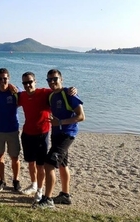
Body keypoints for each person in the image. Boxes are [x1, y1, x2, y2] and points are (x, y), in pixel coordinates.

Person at [19, 72, 77, 203]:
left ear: (35, 81)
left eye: (30, 82)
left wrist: (70, 89)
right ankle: (34, 185)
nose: (28, 85)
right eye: (25, 83)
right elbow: (8, 92)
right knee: (31, 162)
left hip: (42, 134)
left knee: (42, 165)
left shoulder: (45, 93)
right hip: (27, 133)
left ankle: (40, 190)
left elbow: (60, 90)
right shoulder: (21, 95)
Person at [37, 69, 85, 209]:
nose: (52, 82)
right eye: (49, 80)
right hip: (56, 134)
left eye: (55, 79)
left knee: (48, 164)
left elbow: (81, 116)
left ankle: (48, 199)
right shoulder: (52, 96)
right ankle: (65, 195)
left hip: (67, 134)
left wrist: (60, 122)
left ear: (61, 79)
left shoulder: (69, 94)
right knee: (63, 164)